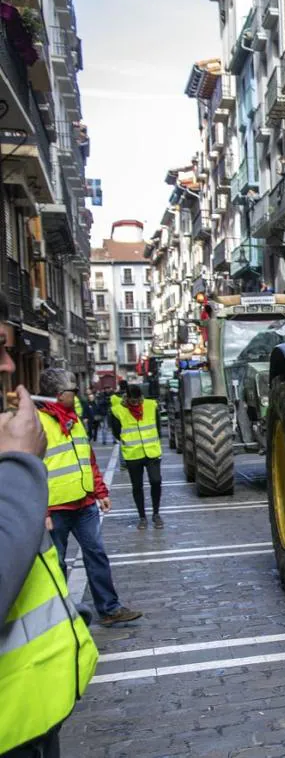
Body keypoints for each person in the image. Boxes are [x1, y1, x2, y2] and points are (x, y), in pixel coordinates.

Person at [0, 294, 98, 758]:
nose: (7, 365)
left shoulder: (65, 421)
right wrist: (20, 467)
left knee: (88, 556)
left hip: (34, 712)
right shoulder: (32, 431)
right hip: (13, 727)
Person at [37, 368, 142, 629]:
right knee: (56, 563)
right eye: (73, 391)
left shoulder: (74, 418)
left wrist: (100, 491)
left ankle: (109, 609)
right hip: (55, 508)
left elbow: (88, 459)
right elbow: (32, 469)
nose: (79, 395)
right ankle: (60, 617)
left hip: (84, 503)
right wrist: (42, 511)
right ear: (59, 395)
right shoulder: (37, 424)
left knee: (96, 555)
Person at [110, 384, 163, 530]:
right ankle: (142, 517)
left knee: (156, 481)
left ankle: (156, 514)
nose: (136, 403)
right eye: (133, 400)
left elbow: (158, 427)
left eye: (138, 400)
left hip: (152, 451)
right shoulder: (117, 410)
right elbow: (116, 432)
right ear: (127, 397)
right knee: (137, 486)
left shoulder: (151, 405)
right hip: (133, 454)